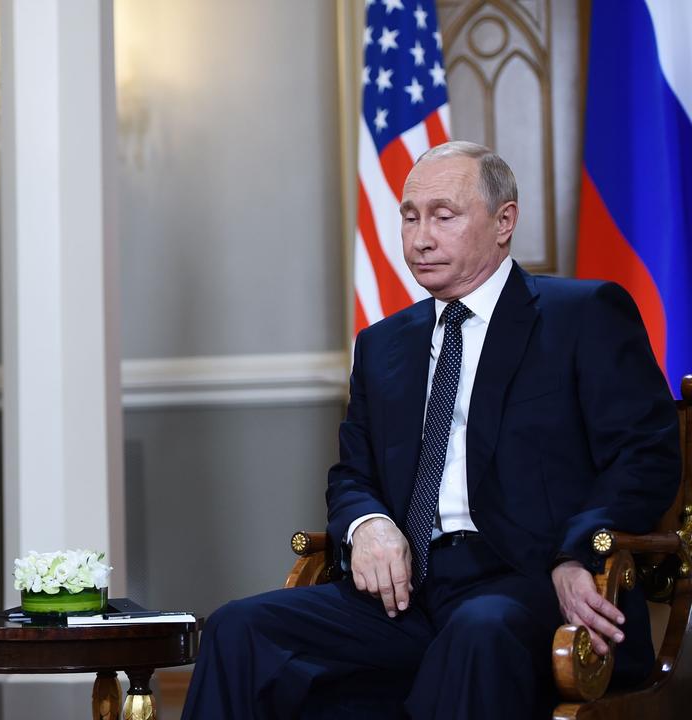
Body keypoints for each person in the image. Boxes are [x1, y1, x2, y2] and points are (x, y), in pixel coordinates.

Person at [181, 141, 681, 719]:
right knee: (238, 628)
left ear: (504, 221)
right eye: (410, 217)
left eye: (443, 216)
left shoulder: (584, 314)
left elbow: (645, 456)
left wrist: (576, 556)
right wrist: (367, 525)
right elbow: (353, 472)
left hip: (530, 579)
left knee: (478, 630)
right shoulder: (382, 345)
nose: (420, 238)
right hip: (405, 592)